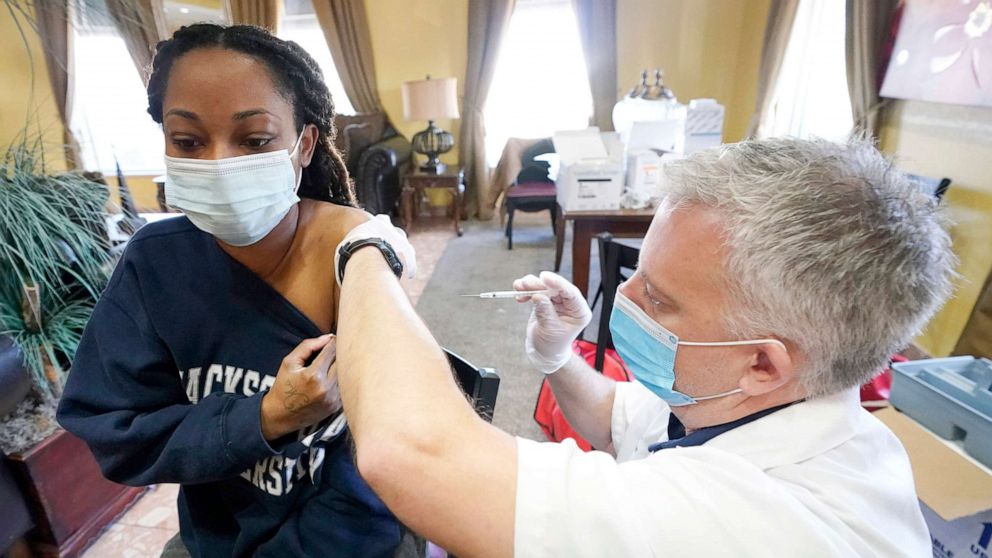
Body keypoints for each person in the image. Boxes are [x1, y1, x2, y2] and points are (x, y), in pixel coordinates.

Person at [330, 137, 956, 557]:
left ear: (763, 361)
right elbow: (616, 421)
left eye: (657, 298)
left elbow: (411, 456)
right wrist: (558, 357)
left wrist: (365, 249)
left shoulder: (757, 524)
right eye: (632, 276)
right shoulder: (769, 405)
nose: (620, 300)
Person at [56, 24, 412, 558]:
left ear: (304, 144)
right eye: (188, 141)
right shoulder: (155, 261)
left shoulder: (353, 256)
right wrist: (268, 415)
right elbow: (116, 428)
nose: (219, 164)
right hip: (214, 539)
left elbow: (378, 479)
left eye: (254, 140)